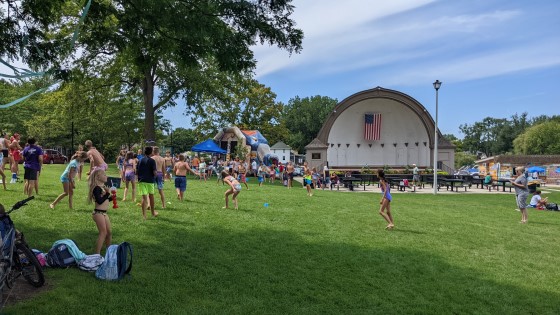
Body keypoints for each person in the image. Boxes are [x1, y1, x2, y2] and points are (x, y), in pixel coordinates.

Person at [87, 169, 112, 254]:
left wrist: (111, 197)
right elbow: (99, 201)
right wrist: (107, 194)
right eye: (104, 175)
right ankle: (97, 254)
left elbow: (105, 200)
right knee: (103, 233)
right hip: (98, 213)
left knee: (109, 233)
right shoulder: (96, 188)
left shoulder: (103, 188)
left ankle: (109, 252)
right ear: (98, 177)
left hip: (104, 213)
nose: (106, 176)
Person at [137, 146, 158, 219]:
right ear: (151, 152)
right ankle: (152, 213)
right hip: (150, 181)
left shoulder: (140, 160)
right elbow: (155, 172)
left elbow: (137, 171)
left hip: (141, 180)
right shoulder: (152, 161)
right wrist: (156, 175)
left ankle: (144, 216)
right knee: (151, 196)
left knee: (144, 198)